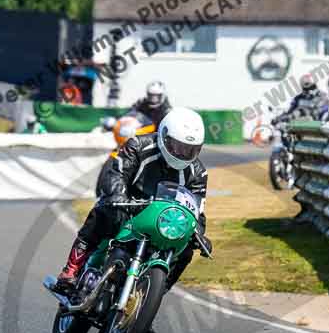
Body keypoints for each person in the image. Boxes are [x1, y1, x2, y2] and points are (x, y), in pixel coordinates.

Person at [53, 107, 211, 296]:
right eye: (178, 147)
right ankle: (71, 270)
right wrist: (118, 195)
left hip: (162, 220)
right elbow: (117, 172)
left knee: (185, 252)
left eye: (190, 150)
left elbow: (197, 208)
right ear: (164, 136)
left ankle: (151, 298)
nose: (183, 154)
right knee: (104, 212)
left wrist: (198, 232)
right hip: (128, 205)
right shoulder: (138, 145)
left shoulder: (198, 173)